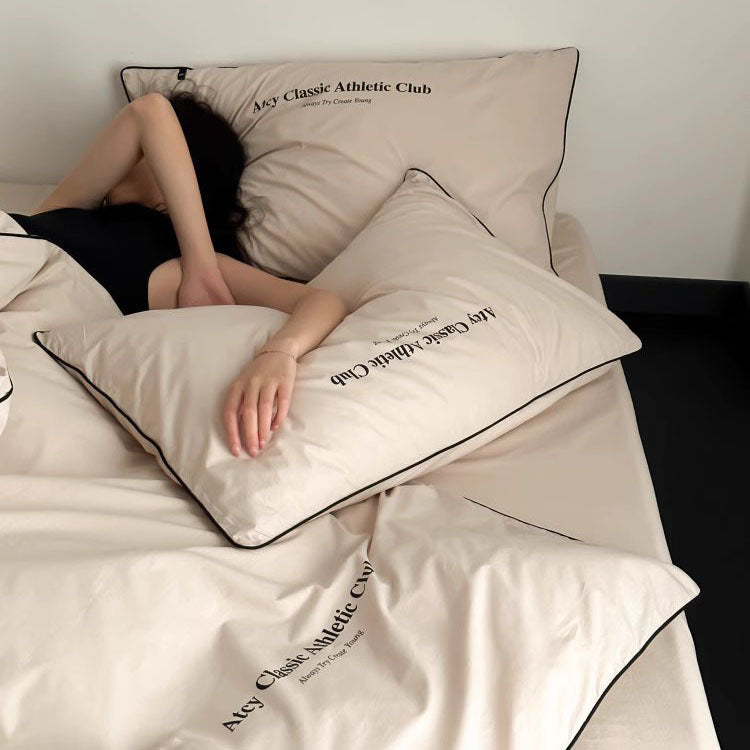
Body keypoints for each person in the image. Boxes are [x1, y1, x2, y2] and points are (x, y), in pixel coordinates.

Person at [9, 89, 349, 460]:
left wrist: (279, 352)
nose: (129, 155)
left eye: (147, 151)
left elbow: (322, 302)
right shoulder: (68, 206)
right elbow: (147, 111)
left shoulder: (189, 270)